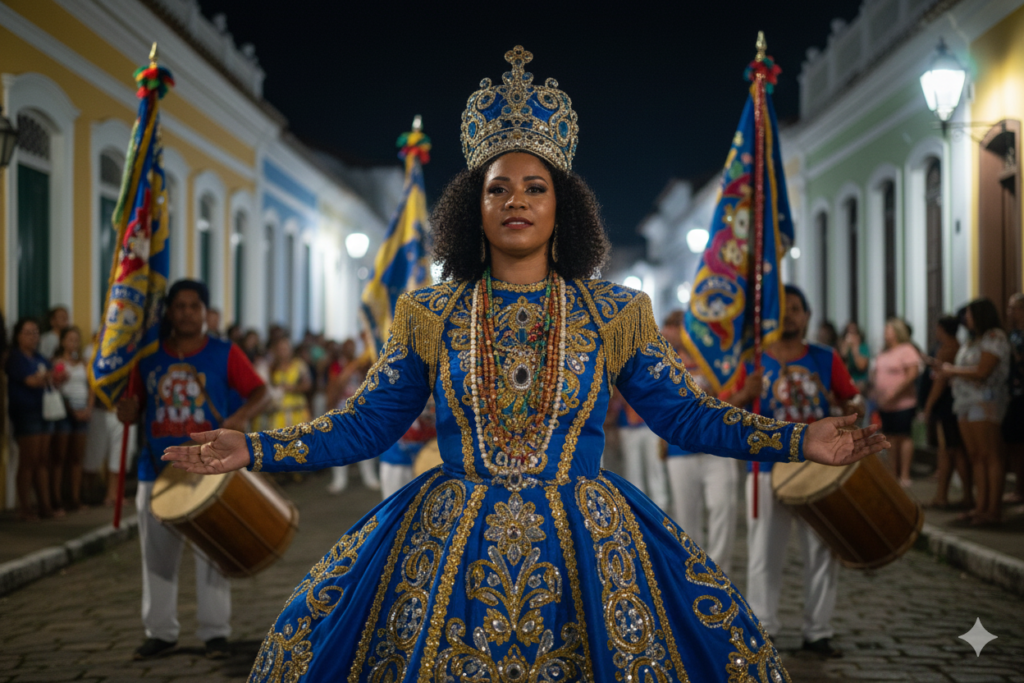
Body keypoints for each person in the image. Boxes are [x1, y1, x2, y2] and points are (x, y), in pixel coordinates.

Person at [162, 47, 887, 682]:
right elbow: (367, 423)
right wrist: (253, 446)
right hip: (450, 533)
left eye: (535, 186)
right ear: (471, 208)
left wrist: (798, 440)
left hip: (587, 539)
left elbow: (685, 415)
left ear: (562, 205)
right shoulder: (429, 312)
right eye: (497, 187)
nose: (516, 200)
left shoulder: (615, 312)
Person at [116, 279, 267, 660]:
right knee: (157, 556)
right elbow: (131, 406)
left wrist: (238, 417)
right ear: (169, 311)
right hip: (157, 469)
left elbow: (260, 391)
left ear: (205, 311)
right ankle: (160, 632)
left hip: (209, 469)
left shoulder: (224, 352)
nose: (186, 312)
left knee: (213, 554)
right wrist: (126, 412)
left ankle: (216, 632)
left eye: (193, 306)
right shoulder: (147, 356)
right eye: (179, 306)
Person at [724, 285, 863, 659]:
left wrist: (845, 403)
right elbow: (722, 410)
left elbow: (852, 401)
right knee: (763, 552)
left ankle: (818, 630)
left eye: (797, 308)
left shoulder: (825, 357)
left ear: (808, 315)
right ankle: (764, 627)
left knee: (821, 550)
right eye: (782, 308)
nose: (790, 315)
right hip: (766, 466)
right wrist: (743, 393)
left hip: (818, 471)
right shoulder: (752, 360)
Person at [662, 311, 739, 575]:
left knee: (722, 509)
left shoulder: (714, 363)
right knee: (686, 518)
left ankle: (720, 573)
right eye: (669, 326)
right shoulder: (666, 363)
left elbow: (728, 399)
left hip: (716, 448)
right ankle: (693, 576)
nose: (669, 331)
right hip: (680, 450)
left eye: (676, 326)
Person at [937, 298, 1010, 526]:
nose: (964, 318)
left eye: (968, 314)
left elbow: (982, 371)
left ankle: (993, 509)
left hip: (985, 401)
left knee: (990, 455)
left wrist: (952, 370)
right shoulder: (973, 340)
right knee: (976, 456)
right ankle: (980, 507)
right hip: (965, 403)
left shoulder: (994, 337)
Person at [6, 318, 57, 520]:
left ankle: (45, 505)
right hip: (26, 413)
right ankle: (24, 507)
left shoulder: (40, 358)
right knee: (28, 461)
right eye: (28, 332)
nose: (33, 336)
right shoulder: (16, 359)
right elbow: (32, 381)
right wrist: (48, 376)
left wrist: (49, 376)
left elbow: (49, 377)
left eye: (36, 332)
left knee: (42, 460)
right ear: (18, 336)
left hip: (45, 411)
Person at [922, 315, 972, 510]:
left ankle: (951, 495)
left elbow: (940, 382)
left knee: (951, 450)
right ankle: (949, 495)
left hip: (945, 406)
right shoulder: (958, 346)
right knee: (953, 450)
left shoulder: (947, 349)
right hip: (953, 404)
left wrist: (928, 406)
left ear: (942, 329)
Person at [872, 318, 921, 487]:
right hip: (885, 403)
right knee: (890, 437)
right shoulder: (884, 352)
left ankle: (905, 474)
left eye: (889, 330)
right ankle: (893, 473)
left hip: (903, 402)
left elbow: (912, 373)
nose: (886, 333)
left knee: (903, 436)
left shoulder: (906, 349)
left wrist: (895, 392)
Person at [51, 326, 93, 512]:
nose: (73, 343)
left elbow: (91, 387)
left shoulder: (84, 364)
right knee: (60, 457)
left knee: (77, 458)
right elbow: (56, 388)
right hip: (65, 413)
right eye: (70, 340)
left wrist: (88, 408)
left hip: (82, 412)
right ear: (63, 342)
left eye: (76, 340)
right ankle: (57, 499)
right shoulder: (58, 363)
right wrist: (72, 410)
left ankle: (75, 498)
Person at [252, 336, 312, 432]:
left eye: (285, 348)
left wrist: (293, 388)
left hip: (297, 411)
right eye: (280, 349)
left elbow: (307, 384)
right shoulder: (271, 367)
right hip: (277, 413)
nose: (283, 352)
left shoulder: (299, 365)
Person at [1002, 293, 1024, 504]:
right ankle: (1019, 488)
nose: (1009, 312)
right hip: (1014, 395)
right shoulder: (1012, 335)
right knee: (1015, 443)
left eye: (1013, 308)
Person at [839, 322, 870, 393]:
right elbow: (841, 367)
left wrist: (855, 348)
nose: (851, 337)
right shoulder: (843, 347)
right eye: (849, 333)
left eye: (854, 333)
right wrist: (845, 351)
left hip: (860, 382)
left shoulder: (863, 347)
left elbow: (861, 366)